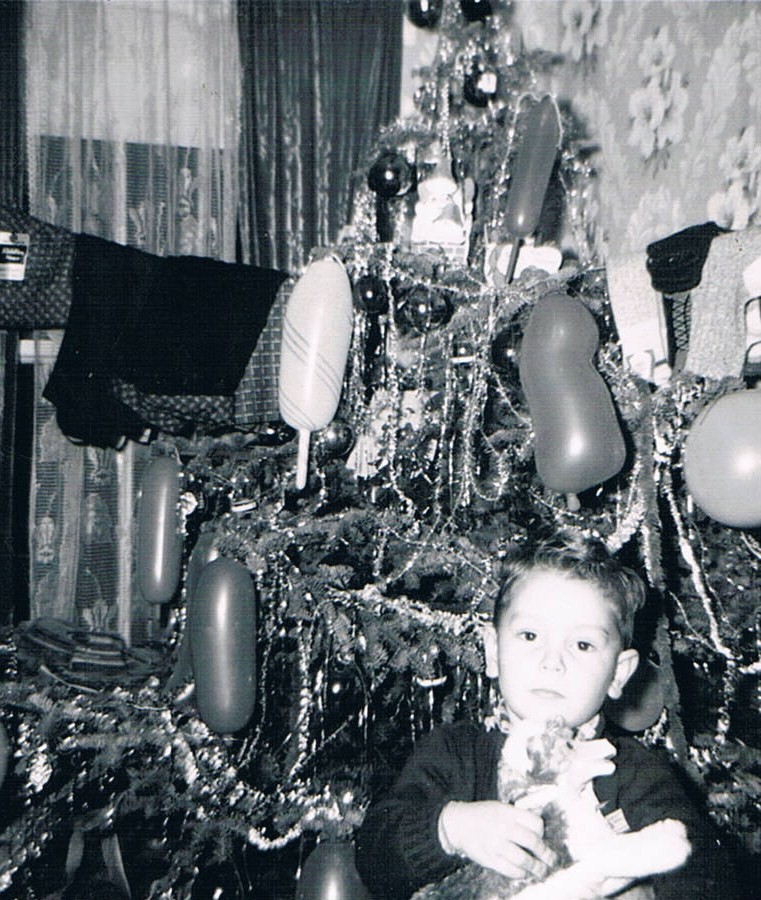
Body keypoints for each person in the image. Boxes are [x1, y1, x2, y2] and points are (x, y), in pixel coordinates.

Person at [355, 535, 741, 899]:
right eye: (530, 636)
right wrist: (449, 828)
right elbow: (375, 858)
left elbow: (701, 868)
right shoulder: (455, 751)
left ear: (618, 674)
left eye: (583, 644)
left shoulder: (633, 772)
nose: (552, 662)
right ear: (493, 651)